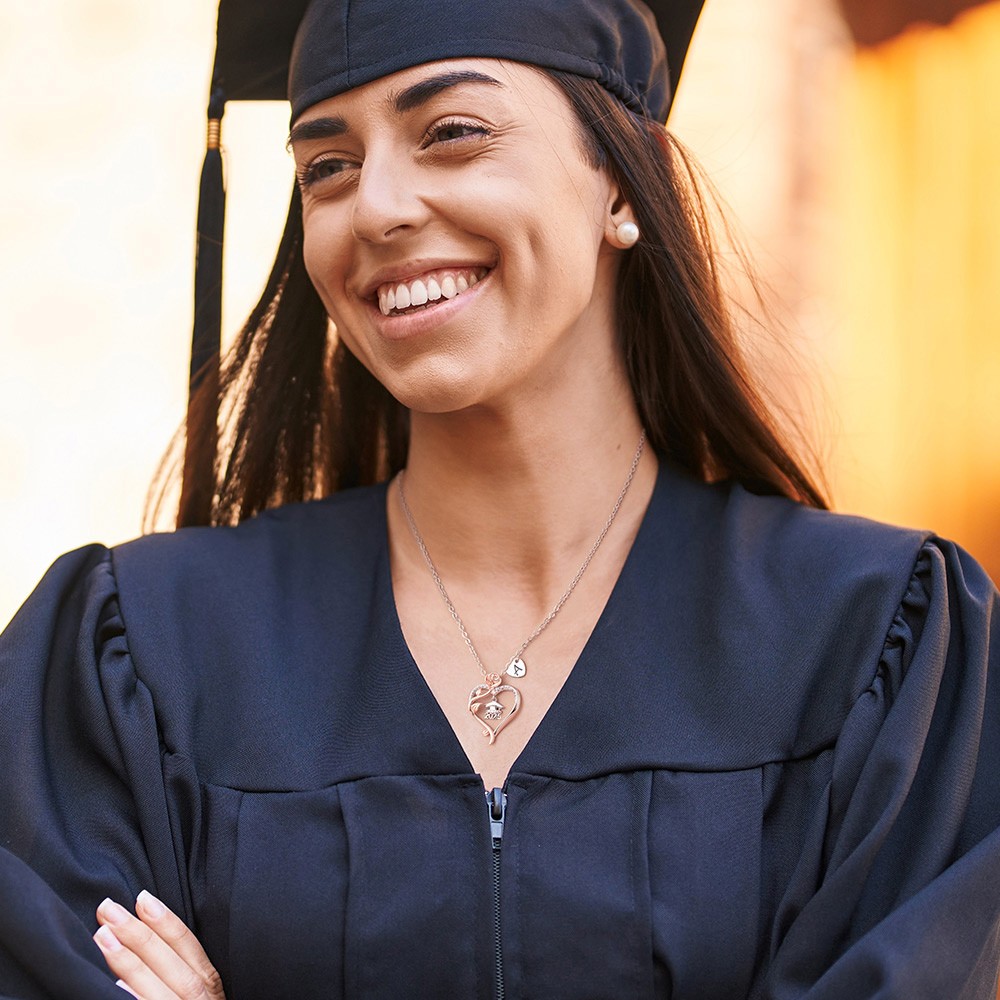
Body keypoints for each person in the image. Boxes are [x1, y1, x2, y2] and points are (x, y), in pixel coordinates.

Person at [1, 0, 998, 997]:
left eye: (451, 134)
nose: (377, 206)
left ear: (620, 183)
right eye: (326, 166)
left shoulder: (876, 645)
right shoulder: (143, 655)